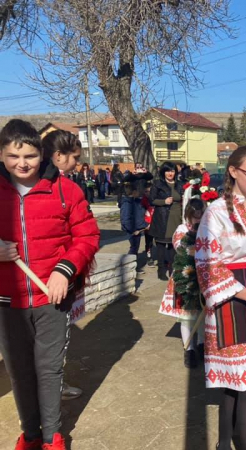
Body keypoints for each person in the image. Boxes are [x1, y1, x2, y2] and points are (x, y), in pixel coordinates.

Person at [0, 119, 100, 450]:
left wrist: (64, 270)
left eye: (29, 156)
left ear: (40, 153)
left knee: (49, 370)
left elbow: (87, 235)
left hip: (50, 299)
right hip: (6, 300)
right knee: (19, 372)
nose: (22, 164)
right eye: (13, 157)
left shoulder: (64, 189)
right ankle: (29, 435)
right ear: (2, 155)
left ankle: (51, 436)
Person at [195, 145, 246, 450]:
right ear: (233, 171)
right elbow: (208, 263)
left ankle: (222, 442)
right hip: (230, 300)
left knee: (244, 379)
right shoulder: (216, 212)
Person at [41, 129, 89, 402]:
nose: (77, 164)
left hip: (64, 272)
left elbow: (84, 233)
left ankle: (54, 385)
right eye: (75, 158)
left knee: (59, 340)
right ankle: (49, 389)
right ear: (58, 156)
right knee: (52, 344)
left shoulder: (68, 188)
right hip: (44, 282)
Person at [159, 196, 206, 367]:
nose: (198, 219)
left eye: (201, 215)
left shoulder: (207, 229)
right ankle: (189, 349)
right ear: (188, 215)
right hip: (185, 276)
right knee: (187, 317)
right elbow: (180, 247)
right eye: (195, 216)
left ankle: (201, 344)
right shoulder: (182, 229)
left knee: (202, 314)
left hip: (202, 276)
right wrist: (193, 244)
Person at [149, 162, 184, 281]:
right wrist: (164, 201)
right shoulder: (158, 184)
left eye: (172, 171)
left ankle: (173, 270)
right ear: (163, 172)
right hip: (162, 218)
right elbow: (151, 200)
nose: (170, 173)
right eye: (168, 171)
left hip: (177, 218)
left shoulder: (180, 185)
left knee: (174, 246)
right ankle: (161, 270)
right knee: (161, 246)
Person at [120, 172, 154, 273]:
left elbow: (139, 216)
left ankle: (132, 266)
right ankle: (130, 268)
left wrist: (143, 226)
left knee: (135, 248)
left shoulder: (135, 202)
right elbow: (126, 219)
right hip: (133, 231)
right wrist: (133, 230)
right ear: (134, 192)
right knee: (133, 249)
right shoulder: (127, 203)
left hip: (138, 229)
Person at [141, 186, 155, 266]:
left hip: (156, 223)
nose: (148, 193)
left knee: (159, 241)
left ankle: (162, 258)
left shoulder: (155, 199)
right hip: (147, 223)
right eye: (146, 191)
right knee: (149, 241)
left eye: (150, 191)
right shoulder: (143, 201)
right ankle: (149, 256)